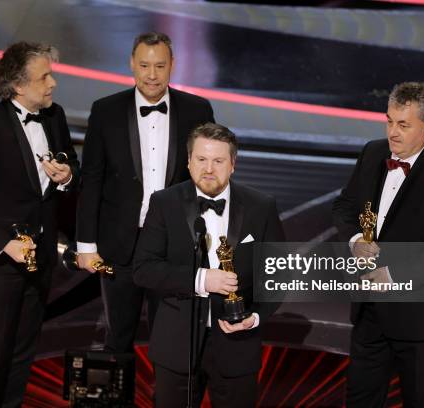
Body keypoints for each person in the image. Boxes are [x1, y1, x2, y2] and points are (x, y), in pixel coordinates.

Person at [332, 82, 424, 408]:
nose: (393, 132)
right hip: (370, 312)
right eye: (390, 121)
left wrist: (393, 273)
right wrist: (356, 241)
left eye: (403, 124)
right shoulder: (372, 153)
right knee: (360, 399)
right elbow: (344, 207)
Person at [0, 41, 79, 407]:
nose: (53, 83)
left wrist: (68, 174)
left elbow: (72, 165)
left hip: (40, 257)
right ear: (19, 85)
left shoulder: (54, 116)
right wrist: (4, 244)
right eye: (45, 77)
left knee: (25, 349)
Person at [75, 32, 214, 353]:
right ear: (131, 65)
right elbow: (92, 179)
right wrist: (85, 245)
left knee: (171, 339)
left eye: (160, 66)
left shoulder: (197, 110)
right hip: (119, 245)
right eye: (144, 65)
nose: (152, 75)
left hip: (173, 246)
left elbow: (208, 180)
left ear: (173, 66)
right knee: (118, 336)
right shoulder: (106, 110)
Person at [134, 123, 284, 407]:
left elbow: (279, 274)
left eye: (218, 161)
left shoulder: (260, 206)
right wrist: (202, 279)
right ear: (189, 162)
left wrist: (255, 316)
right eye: (201, 159)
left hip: (237, 346)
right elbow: (144, 269)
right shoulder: (164, 203)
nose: (209, 169)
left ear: (233, 164)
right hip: (176, 346)